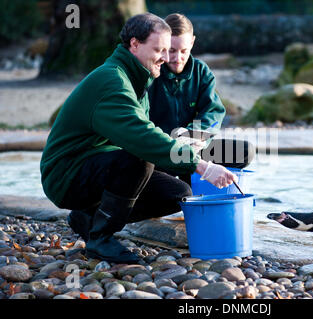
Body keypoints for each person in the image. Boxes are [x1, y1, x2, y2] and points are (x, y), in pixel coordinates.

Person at [39, 13, 237, 264]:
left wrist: (194, 140)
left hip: (102, 163)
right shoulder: (112, 81)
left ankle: (88, 218)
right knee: (139, 159)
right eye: (160, 49)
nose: (166, 58)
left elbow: (212, 112)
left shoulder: (138, 77)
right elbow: (141, 136)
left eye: (169, 50)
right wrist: (202, 166)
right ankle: (100, 239)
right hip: (66, 175)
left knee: (178, 193)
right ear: (134, 44)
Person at [147, 13, 255, 185]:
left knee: (245, 151)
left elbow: (214, 112)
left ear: (192, 42)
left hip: (195, 146)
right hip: (160, 151)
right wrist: (171, 143)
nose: (177, 59)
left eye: (184, 51)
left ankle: (198, 188)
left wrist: (193, 137)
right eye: (171, 51)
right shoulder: (151, 72)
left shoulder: (201, 71)